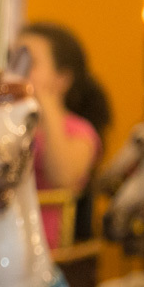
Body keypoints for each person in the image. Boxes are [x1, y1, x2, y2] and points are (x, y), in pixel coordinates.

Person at [17, 23, 111, 248]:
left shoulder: (79, 131)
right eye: (13, 59)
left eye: (29, 63)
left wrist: (48, 104)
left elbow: (62, 178)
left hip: (47, 245)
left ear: (62, 79)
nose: (16, 70)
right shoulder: (9, 123)